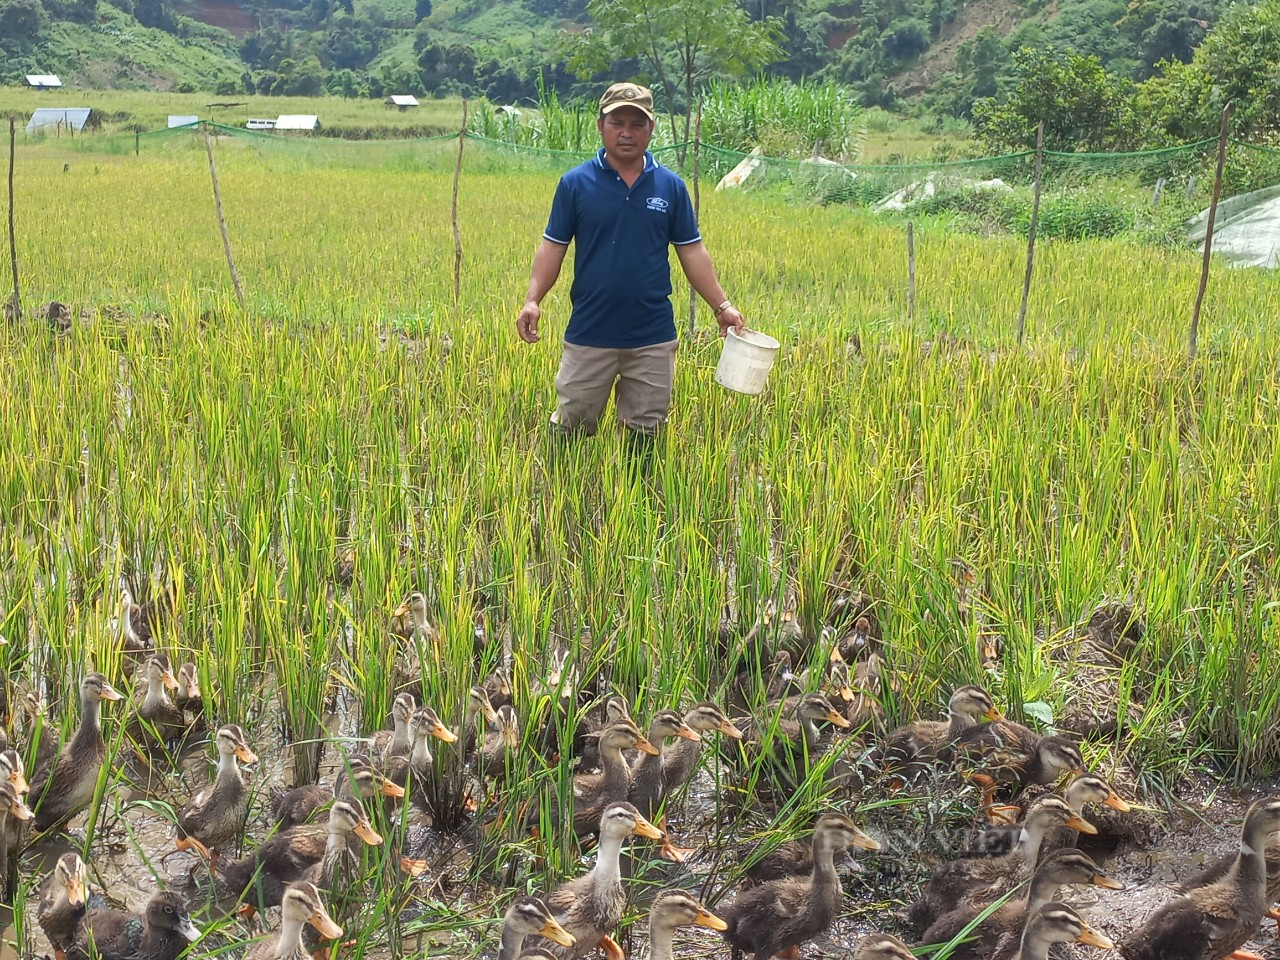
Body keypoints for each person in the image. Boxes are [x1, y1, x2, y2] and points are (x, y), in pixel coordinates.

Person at [516, 81, 746, 452]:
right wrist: (532, 300)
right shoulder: (575, 184)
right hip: (591, 330)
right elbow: (553, 246)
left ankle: (636, 504)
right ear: (600, 125)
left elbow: (692, 252)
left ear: (651, 128)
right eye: (617, 122)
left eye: (637, 124)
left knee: (645, 431)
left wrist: (722, 307)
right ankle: (563, 499)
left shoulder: (670, 187)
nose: (627, 132)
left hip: (652, 334)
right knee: (572, 424)